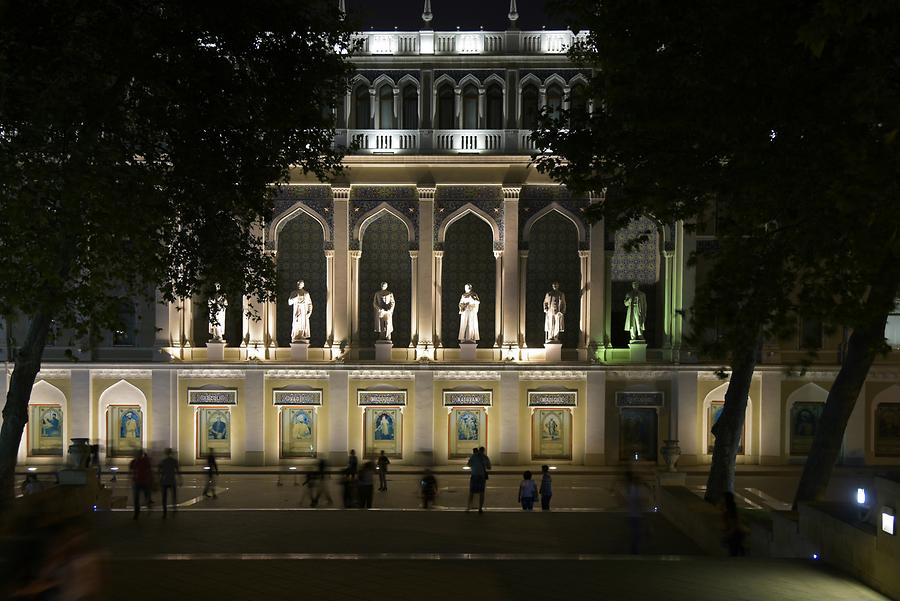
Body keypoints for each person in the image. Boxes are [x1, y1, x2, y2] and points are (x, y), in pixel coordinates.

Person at [129, 449, 153, 519]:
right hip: (138, 482)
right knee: (137, 498)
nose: (136, 455)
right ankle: (137, 512)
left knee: (145, 497)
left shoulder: (144, 461)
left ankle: (148, 507)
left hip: (144, 481)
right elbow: (131, 472)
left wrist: (150, 480)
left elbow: (149, 471)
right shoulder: (134, 462)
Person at [721, 491, 747, 556]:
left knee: (734, 552)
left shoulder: (730, 512)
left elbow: (734, 525)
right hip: (735, 534)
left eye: (723, 499)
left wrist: (727, 535)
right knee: (736, 551)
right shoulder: (730, 510)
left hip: (735, 535)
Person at [158, 448, 180, 518]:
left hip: (164, 481)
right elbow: (178, 471)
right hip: (172, 480)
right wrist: (180, 479)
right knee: (173, 495)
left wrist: (159, 480)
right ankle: (174, 507)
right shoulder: (174, 461)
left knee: (164, 497)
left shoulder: (163, 461)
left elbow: (159, 472)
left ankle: (164, 512)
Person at [466, 447, 487, 513]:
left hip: (474, 476)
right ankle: (480, 508)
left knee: (471, 492)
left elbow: (469, 464)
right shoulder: (485, 457)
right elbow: (489, 466)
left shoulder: (473, 456)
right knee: (481, 493)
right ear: (483, 451)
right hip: (481, 477)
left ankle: (468, 508)